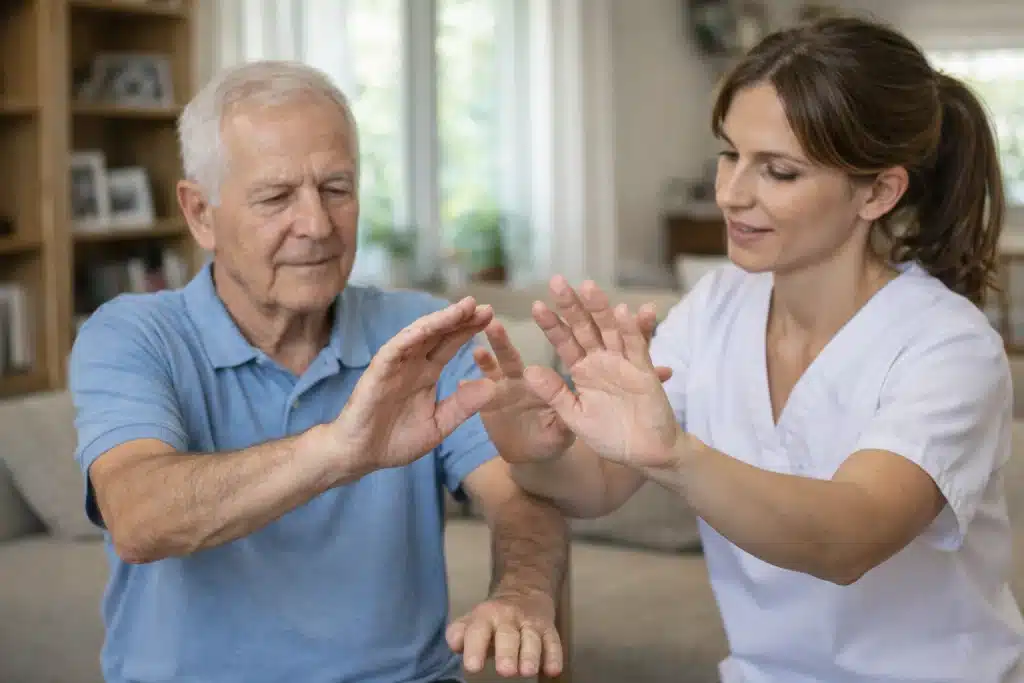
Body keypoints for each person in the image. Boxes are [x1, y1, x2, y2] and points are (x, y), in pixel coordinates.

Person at [475, 15, 1024, 683]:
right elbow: (598, 484)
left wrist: (676, 454)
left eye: (779, 171)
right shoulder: (716, 306)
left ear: (879, 190)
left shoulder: (950, 347)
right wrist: (535, 454)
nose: (731, 194)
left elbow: (848, 536)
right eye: (729, 154)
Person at [68, 60, 568, 683]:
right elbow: (139, 518)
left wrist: (522, 593)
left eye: (337, 188)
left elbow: (522, 497)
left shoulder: (426, 332)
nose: (318, 225)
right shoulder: (132, 334)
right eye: (277, 197)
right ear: (201, 214)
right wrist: (338, 450)